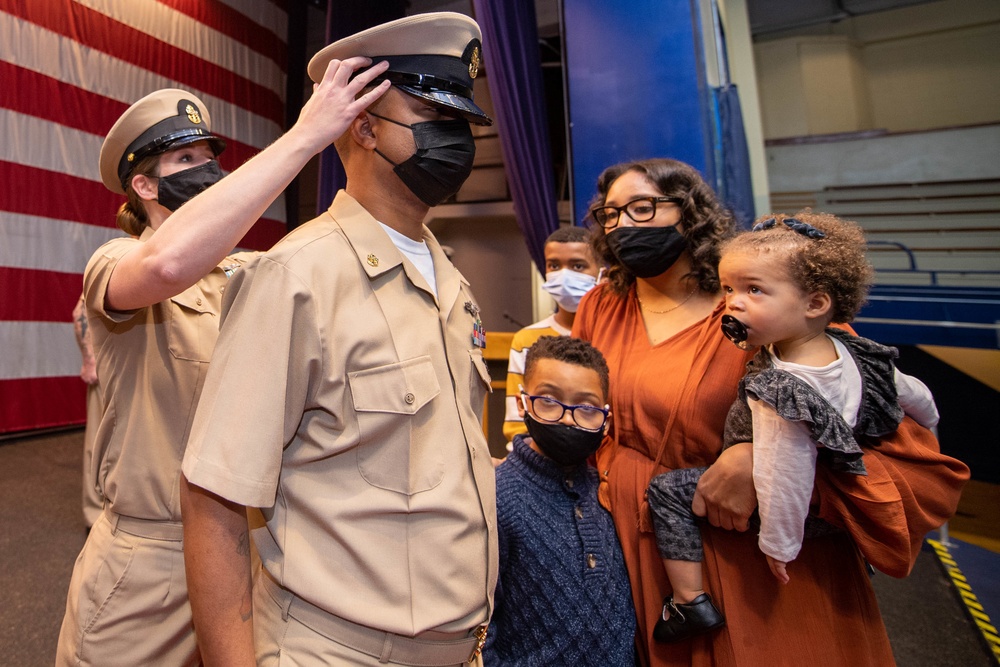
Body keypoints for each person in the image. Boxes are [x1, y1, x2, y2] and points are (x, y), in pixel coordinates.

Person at [180, 13, 499, 666]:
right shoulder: (296, 276)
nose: (457, 139)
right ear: (363, 126)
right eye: (434, 116)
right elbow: (214, 498)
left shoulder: (452, 281)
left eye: (462, 124)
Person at [55, 59, 389, 665]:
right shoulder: (115, 259)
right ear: (145, 187)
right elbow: (164, 268)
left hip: (247, 553)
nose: (207, 170)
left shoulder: (249, 272)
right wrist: (305, 136)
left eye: (210, 157)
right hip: (151, 565)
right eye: (186, 161)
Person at [572, 158, 969, 665]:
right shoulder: (602, 305)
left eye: (643, 208)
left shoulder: (768, 309)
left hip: (761, 564)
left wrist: (756, 461)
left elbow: (891, 445)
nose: (624, 224)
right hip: (641, 547)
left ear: (690, 212)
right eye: (610, 214)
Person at [645, 211, 942, 643]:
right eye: (728, 289)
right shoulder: (855, 352)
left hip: (797, 515)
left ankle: (688, 602)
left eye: (754, 290)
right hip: (841, 503)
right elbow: (915, 394)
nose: (733, 303)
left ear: (815, 303)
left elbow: (784, 473)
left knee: (666, 492)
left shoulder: (781, 390)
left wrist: (778, 546)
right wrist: (931, 430)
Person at [484, 335, 635, 666]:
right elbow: (482, 625)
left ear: (605, 419)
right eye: (549, 401)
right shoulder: (497, 497)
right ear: (523, 403)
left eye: (585, 407)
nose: (568, 419)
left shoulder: (609, 492)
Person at [503, 226, 601, 443]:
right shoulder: (526, 340)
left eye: (578, 266)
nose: (564, 275)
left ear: (601, 271)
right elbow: (516, 423)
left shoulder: (613, 335)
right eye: (554, 265)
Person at [71, 294, 104, 530]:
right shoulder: (119, 256)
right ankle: (95, 519)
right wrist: (90, 360)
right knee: (98, 444)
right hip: (109, 368)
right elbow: (81, 311)